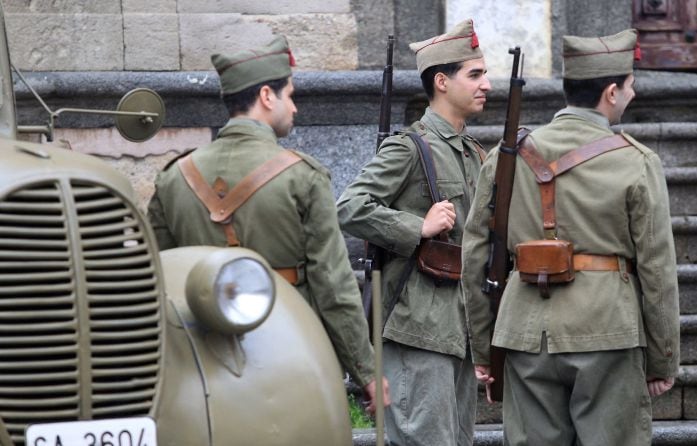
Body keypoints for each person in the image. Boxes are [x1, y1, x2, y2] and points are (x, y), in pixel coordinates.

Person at [147, 35, 388, 413]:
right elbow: (334, 286)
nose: (294, 107)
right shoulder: (303, 177)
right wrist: (367, 371)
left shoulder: (174, 177)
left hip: (198, 365)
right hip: (289, 352)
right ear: (266, 96)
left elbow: (158, 281)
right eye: (289, 95)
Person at [462, 29, 680, 445]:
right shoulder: (636, 162)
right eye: (630, 87)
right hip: (607, 330)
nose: (632, 96)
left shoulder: (507, 156)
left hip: (523, 331)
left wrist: (485, 349)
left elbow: (475, 255)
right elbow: (656, 268)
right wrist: (662, 356)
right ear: (611, 92)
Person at [337, 19, 490, 446]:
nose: (487, 85)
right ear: (442, 81)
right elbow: (350, 207)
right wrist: (416, 227)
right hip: (418, 328)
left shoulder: (475, 153)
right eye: (475, 74)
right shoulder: (409, 146)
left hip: (459, 329)